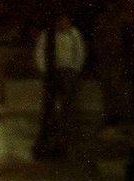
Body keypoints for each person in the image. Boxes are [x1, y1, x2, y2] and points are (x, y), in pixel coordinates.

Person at [34, 14, 86, 152]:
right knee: (50, 101)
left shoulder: (74, 34)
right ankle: (52, 130)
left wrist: (76, 68)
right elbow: (40, 51)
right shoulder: (48, 34)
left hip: (68, 71)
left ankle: (66, 129)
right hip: (53, 71)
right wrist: (43, 69)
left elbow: (80, 51)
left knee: (67, 101)